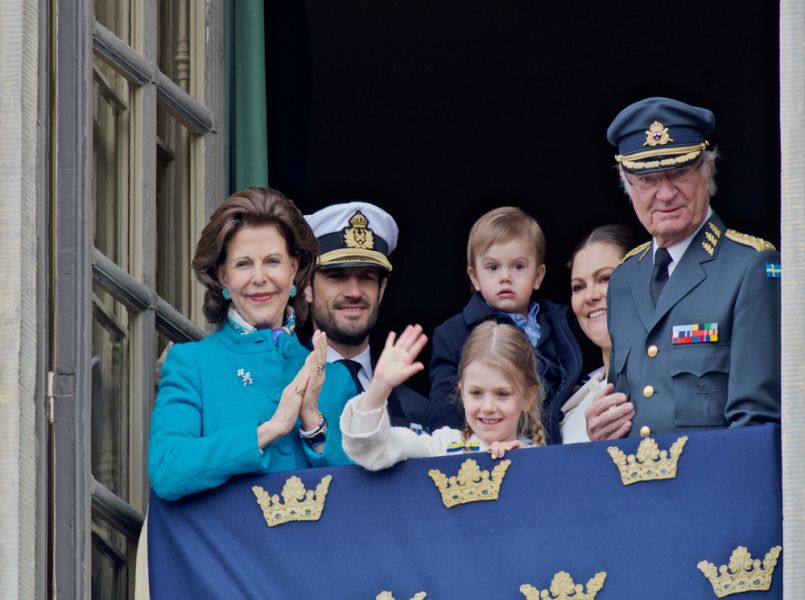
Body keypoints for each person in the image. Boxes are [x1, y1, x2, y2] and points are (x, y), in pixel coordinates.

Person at [586, 96, 781, 440]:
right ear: (628, 184)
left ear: (707, 170)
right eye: (648, 179)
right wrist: (602, 432)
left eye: (678, 173)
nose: (664, 194)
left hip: (714, 474)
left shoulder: (751, 265)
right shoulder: (624, 278)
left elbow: (756, 426)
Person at [147, 187, 358, 501]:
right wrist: (269, 430)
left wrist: (312, 421)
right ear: (223, 277)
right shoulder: (192, 364)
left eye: (273, 261)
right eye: (243, 264)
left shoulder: (336, 379)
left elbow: (361, 498)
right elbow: (167, 468)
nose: (259, 277)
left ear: (293, 269)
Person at [428, 206, 582, 443]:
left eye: (518, 266)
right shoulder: (454, 334)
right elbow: (445, 414)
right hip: (487, 455)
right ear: (474, 277)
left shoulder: (562, 325)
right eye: (492, 267)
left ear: (538, 276)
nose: (505, 277)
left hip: (556, 451)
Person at [341, 322, 546, 470]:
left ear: (528, 397)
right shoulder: (442, 446)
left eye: (502, 394)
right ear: (461, 393)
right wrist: (379, 387)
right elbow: (370, 452)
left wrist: (524, 463)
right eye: (476, 393)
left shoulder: (543, 459)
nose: (488, 406)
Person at [303, 202, 430, 429]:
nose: (354, 292)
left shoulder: (418, 409)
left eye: (366, 277)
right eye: (336, 276)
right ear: (307, 287)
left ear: (382, 290)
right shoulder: (281, 386)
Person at [560, 225, 637, 443]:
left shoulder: (664, 384)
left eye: (604, 278)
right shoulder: (569, 400)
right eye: (578, 287)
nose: (590, 296)